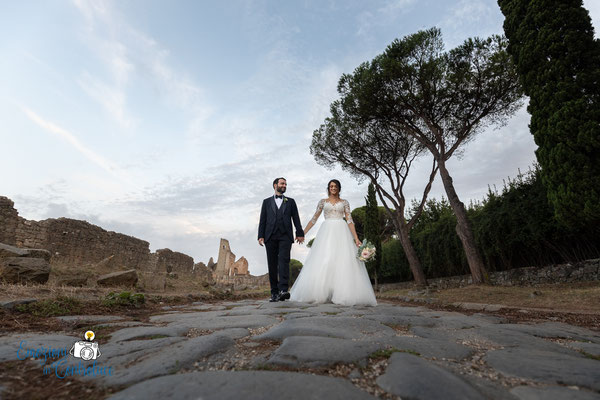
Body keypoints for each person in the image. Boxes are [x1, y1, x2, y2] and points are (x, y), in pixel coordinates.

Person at [290, 179, 377, 306]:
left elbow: (350, 220)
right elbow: (314, 219)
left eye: (335, 186)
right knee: (326, 260)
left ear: (339, 188)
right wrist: (303, 233)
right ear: (328, 188)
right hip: (327, 231)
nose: (333, 188)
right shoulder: (322, 202)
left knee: (342, 261)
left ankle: (342, 294)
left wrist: (356, 238)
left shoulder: (345, 202)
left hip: (342, 232)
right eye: (331, 186)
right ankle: (321, 293)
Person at [258, 177, 304, 302]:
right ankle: (274, 292)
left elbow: (296, 218)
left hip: (285, 236)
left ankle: (284, 290)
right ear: (275, 185)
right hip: (270, 236)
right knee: (272, 264)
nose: (284, 185)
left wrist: (300, 233)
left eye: (285, 184)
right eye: (282, 183)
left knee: (284, 261)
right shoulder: (266, 202)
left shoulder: (291, 201)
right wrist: (260, 235)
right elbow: (263, 220)